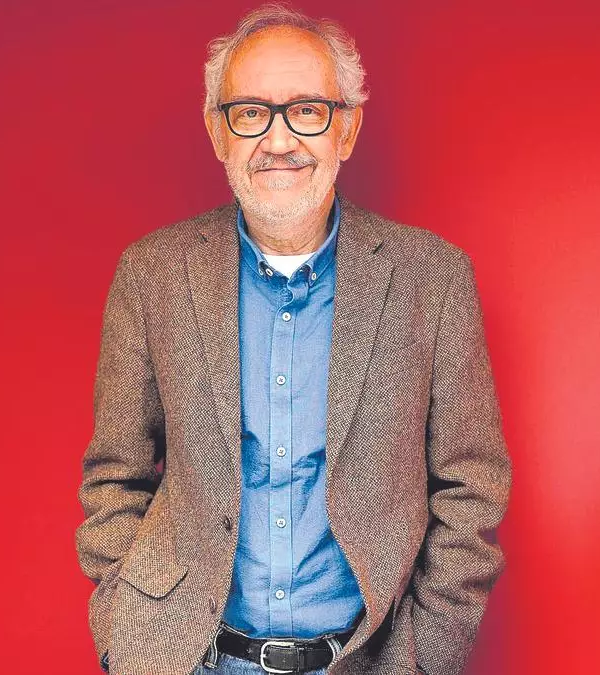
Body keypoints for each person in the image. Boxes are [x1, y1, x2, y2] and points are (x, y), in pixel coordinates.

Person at [75, 4, 512, 674]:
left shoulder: (434, 278)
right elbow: (115, 476)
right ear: (218, 132)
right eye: (251, 112)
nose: (278, 140)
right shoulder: (152, 275)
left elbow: (471, 485)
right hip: (192, 661)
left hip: (369, 660)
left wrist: (425, 657)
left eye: (306, 110)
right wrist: (125, 633)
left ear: (347, 128)